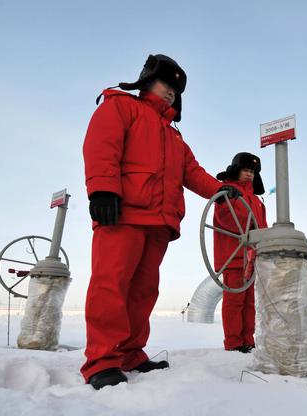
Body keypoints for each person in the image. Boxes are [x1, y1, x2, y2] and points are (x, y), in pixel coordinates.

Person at [81, 54, 241, 389]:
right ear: (146, 80)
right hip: (122, 213)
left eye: (176, 90)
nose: (171, 93)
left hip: (159, 223)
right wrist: (102, 191)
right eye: (167, 84)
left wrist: (222, 190)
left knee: (143, 291)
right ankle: (102, 361)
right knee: (111, 285)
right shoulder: (120, 107)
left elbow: (193, 174)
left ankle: (129, 353)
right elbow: (101, 145)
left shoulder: (175, 138)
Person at [213, 153, 268, 353]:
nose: (249, 174)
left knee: (248, 302)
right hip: (233, 255)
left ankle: (248, 340)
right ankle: (234, 343)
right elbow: (224, 219)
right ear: (236, 171)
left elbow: (262, 227)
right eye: (245, 170)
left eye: (252, 172)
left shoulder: (256, 200)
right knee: (234, 302)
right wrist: (251, 228)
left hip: (251, 259)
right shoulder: (227, 194)